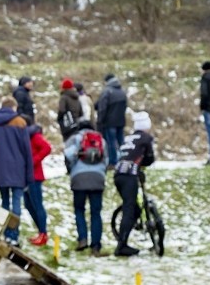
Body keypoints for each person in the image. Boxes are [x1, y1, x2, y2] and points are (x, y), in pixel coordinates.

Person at [0, 98, 34, 246]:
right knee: (17, 204)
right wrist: (29, 174)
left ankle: (6, 234)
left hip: (0, 170)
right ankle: (14, 235)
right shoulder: (20, 122)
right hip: (18, 169)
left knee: (5, 202)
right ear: (13, 107)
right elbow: (27, 150)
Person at [113, 111, 155, 257]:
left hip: (118, 174)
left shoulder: (128, 137)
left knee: (134, 209)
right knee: (129, 209)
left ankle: (123, 239)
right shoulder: (146, 138)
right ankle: (121, 246)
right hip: (129, 175)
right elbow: (150, 158)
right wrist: (143, 164)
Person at [64, 120, 108, 256]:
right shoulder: (101, 140)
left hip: (79, 179)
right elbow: (107, 160)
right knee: (96, 213)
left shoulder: (74, 139)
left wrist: (72, 170)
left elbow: (68, 156)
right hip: (97, 179)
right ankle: (96, 246)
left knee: (79, 210)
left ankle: (82, 239)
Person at [24, 123, 51, 246]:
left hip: (35, 176)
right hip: (25, 177)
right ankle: (40, 231)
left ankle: (43, 233)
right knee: (28, 205)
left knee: (37, 204)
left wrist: (33, 161)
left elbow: (47, 148)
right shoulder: (24, 137)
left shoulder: (34, 136)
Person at [95, 73, 127, 168]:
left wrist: (100, 121)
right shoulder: (122, 91)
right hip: (121, 122)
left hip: (109, 123)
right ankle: (124, 159)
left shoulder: (107, 92)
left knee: (111, 143)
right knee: (121, 142)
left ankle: (112, 162)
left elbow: (102, 108)